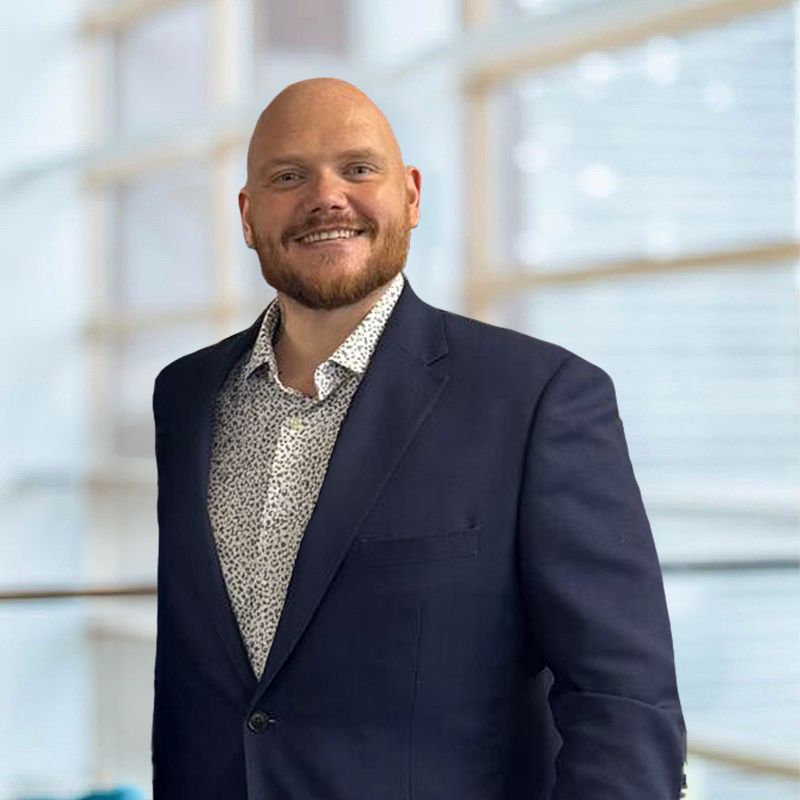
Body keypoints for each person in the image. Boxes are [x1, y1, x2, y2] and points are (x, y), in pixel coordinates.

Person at [150, 77, 688, 800]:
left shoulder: (538, 401)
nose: (325, 196)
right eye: (288, 176)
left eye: (358, 169)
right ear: (248, 216)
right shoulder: (185, 397)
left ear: (411, 195)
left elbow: (623, 704)